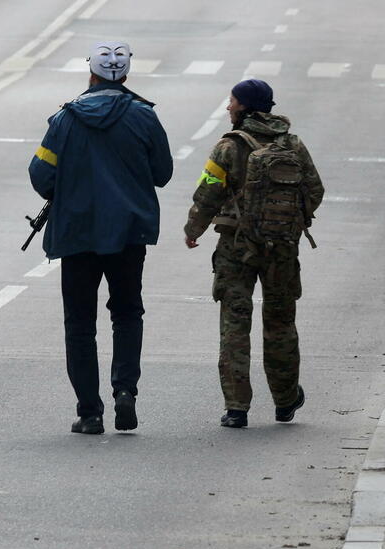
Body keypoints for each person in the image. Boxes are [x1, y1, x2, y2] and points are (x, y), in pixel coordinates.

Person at [29, 42, 172, 435]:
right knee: (127, 313)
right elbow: (162, 173)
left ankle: (90, 412)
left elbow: (41, 174)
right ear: (126, 75)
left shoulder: (64, 120)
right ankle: (125, 390)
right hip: (128, 233)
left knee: (80, 324)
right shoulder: (144, 117)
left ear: (89, 73)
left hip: (77, 234)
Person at [184, 79, 324, 428]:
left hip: (236, 247)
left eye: (232, 101)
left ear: (244, 106)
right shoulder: (293, 144)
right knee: (280, 323)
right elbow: (315, 189)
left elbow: (208, 193)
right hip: (282, 248)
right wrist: (290, 221)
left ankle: (236, 408)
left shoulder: (228, 147)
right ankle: (285, 400)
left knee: (235, 323)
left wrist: (193, 230)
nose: (228, 107)